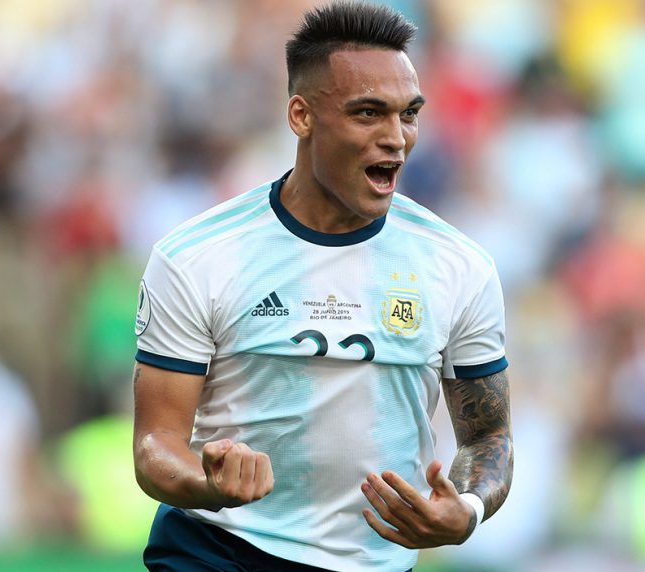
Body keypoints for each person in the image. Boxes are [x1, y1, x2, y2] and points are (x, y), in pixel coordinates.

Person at [132, 3, 513, 571]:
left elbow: (489, 437)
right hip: (218, 552)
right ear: (301, 115)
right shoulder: (197, 257)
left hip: (374, 562)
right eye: (368, 114)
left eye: (409, 114)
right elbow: (155, 445)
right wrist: (209, 484)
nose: (396, 139)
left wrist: (468, 509)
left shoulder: (459, 266)